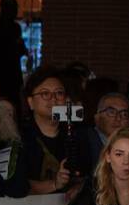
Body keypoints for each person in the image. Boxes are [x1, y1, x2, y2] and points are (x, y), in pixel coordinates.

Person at [22, 66, 91, 195]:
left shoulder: (78, 133)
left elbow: (88, 175)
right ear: (30, 102)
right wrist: (55, 184)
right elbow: (18, 185)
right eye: (45, 94)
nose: (53, 99)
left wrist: (79, 187)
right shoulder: (19, 136)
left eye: (59, 93)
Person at [88, 92, 129, 169]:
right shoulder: (83, 141)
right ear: (97, 117)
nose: (118, 118)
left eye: (124, 114)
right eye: (111, 112)